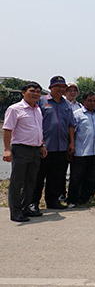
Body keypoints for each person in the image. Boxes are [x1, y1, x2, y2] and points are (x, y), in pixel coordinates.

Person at [3, 82, 46, 222]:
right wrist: (7, 150)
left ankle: (26, 208)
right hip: (21, 149)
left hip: (35, 149)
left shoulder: (38, 109)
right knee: (17, 182)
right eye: (32, 91)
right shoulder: (15, 109)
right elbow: (8, 130)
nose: (35, 94)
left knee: (31, 181)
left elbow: (39, 130)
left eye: (38, 92)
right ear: (23, 92)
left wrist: (42, 146)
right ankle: (16, 212)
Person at [31, 75, 75, 211]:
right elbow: (36, 123)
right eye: (58, 86)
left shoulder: (67, 104)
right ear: (51, 87)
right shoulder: (41, 101)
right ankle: (33, 202)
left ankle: (52, 201)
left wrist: (71, 143)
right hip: (44, 147)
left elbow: (71, 125)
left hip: (61, 146)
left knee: (56, 176)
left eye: (63, 87)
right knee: (38, 176)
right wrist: (40, 143)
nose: (61, 89)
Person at [67, 91, 95, 207]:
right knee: (76, 177)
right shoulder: (77, 114)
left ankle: (85, 199)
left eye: (94, 101)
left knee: (91, 177)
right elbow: (71, 132)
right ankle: (72, 200)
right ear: (84, 101)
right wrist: (72, 145)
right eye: (89, 100)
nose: (92, 103)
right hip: (81, 151)